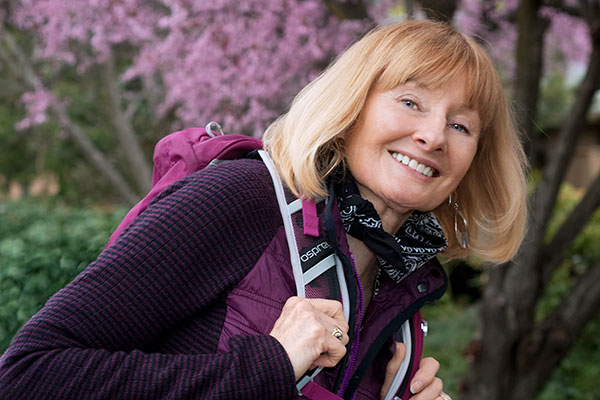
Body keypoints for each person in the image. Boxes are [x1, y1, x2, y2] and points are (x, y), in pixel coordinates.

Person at [0, 20, 527, 400]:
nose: (433, 135)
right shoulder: (241, 199)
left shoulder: (403, 288)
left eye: (461, 125)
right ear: (352, 106)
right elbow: (27, 375)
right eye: (410, 102)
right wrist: (269, 367)